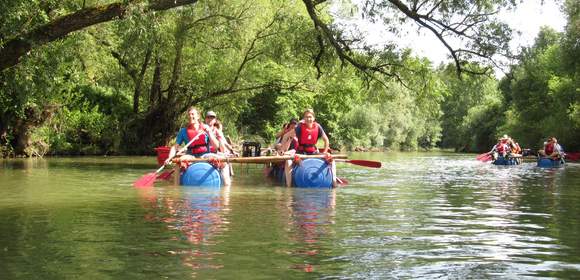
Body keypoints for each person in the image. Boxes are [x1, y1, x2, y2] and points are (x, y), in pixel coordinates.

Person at [280, 109, 336, 188]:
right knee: (288, 162)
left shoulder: (318, 127)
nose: (308, 119)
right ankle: (289, 186)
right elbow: (286, 136)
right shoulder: (299, 127)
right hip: (301, 152)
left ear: (314, 118)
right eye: (306, 117)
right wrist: (282, 149)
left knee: (331, 160)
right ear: (304, 119)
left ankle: (334, 183)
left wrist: (325, 152)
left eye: (310, 117)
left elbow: (326, 140)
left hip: (313, 153)